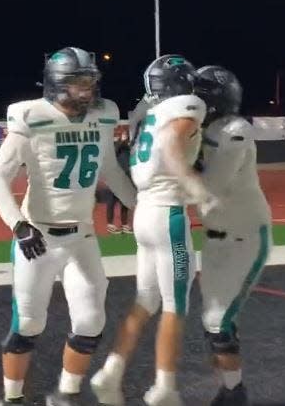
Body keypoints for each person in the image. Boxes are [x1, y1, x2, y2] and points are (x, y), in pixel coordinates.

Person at [0, 47, 136, 406]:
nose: (87, 90)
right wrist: (18, 225)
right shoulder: (32, 115)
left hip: (82, 236)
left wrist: (140, 206)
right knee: (29, 325)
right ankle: (13, 399)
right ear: (57, 84)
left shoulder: (103, 115)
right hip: (38, 236)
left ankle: (66, 396)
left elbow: (110, 170)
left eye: (91, 81)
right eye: (79, 82)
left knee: (90, 323)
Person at [90, 54, 215, 406]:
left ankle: (110, 374)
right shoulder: (185, 106)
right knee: (175, 305)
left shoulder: (148, 112)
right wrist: (195, 186)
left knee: (145, 300)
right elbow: (170, 144)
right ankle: (164, 389)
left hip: (144, 210)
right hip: (167, 213)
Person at [195, 65, 273, 406]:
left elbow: (212, 185)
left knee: (218, 321)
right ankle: (227, 389)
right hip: (214, 240)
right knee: (214, 324)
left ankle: (235, 393)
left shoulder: (236, 130)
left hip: (245, 238)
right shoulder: (206, 127)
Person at [106, 130, 133, 234]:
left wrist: (126, 142)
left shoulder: (127, 145)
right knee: (112, 200)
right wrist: (121, 141)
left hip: (126, 174)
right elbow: (113, 152)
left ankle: (125, 224)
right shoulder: (112, 143)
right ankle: (110, 224)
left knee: (124, 200)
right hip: (115, 175)